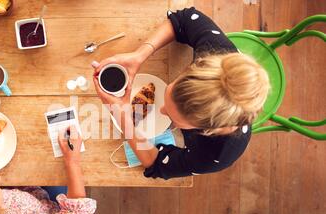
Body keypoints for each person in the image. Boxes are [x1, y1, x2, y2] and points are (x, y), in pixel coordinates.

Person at [92, 7, 270, 179]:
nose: (161, 109)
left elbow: (156, 163)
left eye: (171, 115)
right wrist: (139, 55)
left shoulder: (217, 156)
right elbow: (184, 19)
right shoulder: (214, 53)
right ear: (194, 65)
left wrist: (125, 121)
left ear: (206, 130)